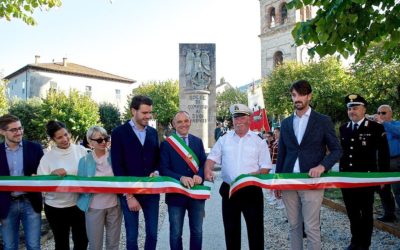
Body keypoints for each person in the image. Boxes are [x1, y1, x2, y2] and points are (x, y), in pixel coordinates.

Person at [275, 80, 342, 250]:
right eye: (294, 95)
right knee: (294, 226)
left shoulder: (322, 121)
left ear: (309, 96)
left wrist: (322, 166)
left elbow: (336, 150)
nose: (297, 98)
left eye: (301, 94)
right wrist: (277, 181)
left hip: (312, 182)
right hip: (288, 182)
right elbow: (282, 154)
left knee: (312, 228)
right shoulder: (286, 123)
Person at [204, 103, 272, 250]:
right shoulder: (224, 139)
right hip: (229, 191)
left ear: (249, 119)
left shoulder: (259, 141)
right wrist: (208, 169)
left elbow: (266, 167)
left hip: (251, 191)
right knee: (231, 231)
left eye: (241, 117)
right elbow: (212, 158)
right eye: (235, 117)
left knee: (255, 232)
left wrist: (251, 176)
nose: (238, 121)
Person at [339, 94, 390, 250]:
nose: (352, 111)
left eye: (355, 108)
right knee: (352, 212)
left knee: (366, 212)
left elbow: (383, 154)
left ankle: (364, 244)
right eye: (349, 109)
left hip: (366, 178)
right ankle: (355, 241)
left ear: (364, 109)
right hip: (347, 178)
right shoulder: (344, 128)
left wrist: (383, 177)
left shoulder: (375, 127)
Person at [111, 95, 160, 250]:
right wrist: (129, 196)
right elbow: (118, 166)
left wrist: (157, 171)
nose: (148, 116)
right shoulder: (119, 133)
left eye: (150, 112)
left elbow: (157, 159)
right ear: (133, 111)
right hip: (129, 193)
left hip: (151, 193)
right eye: (144, 113)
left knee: (152, 234)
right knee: (132, 236)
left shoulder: (153, 132)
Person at [159, 111, 207, 250]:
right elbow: (164, 169)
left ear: (190, 122)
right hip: (176, 195)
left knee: (197, 232)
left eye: (186, 121)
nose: (183, 124)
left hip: (196, 194)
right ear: (174, 124)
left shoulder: (197, 141)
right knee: (175, 233)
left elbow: (204, 163)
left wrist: (200, 174)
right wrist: (180, 177)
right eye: (179, 122)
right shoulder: (167, 144)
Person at [37, 120, 88, 250]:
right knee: (61, 243)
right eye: (59, 137)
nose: (65, 139)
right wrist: (52, 175)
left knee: (82, 241)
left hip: (79, 205)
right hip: (55, 208)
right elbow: (40, 184)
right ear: (53, 139)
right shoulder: (47, 158)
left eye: (66, 134)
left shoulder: (81, 151)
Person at [0, 114, 43, 250]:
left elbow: (43, 172)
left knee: (34, 245)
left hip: (31, 202)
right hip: (6, 204)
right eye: (13, 130)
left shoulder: (35, 148)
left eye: (20, 128)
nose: (19, 132)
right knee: (10, 246)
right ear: (2, 131)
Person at [77, 126, 122, 250]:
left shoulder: (115, 156)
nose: (103, 142)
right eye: (99, 140)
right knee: (95, 245)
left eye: (105, 138)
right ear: (90, 142)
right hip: (93, 207)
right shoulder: (84, 161)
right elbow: (80, 185)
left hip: (114, 206)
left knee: (113, 244)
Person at [374, 104, 400, 221]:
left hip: (395, 160)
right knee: (383, 189)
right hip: (380, 162)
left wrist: (384, 124)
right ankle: (389, 214)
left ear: (391, 113)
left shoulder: (396, 124)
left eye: (383, 113)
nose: (380, 115)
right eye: (378, 113)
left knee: (398, 190)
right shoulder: (376, 127)